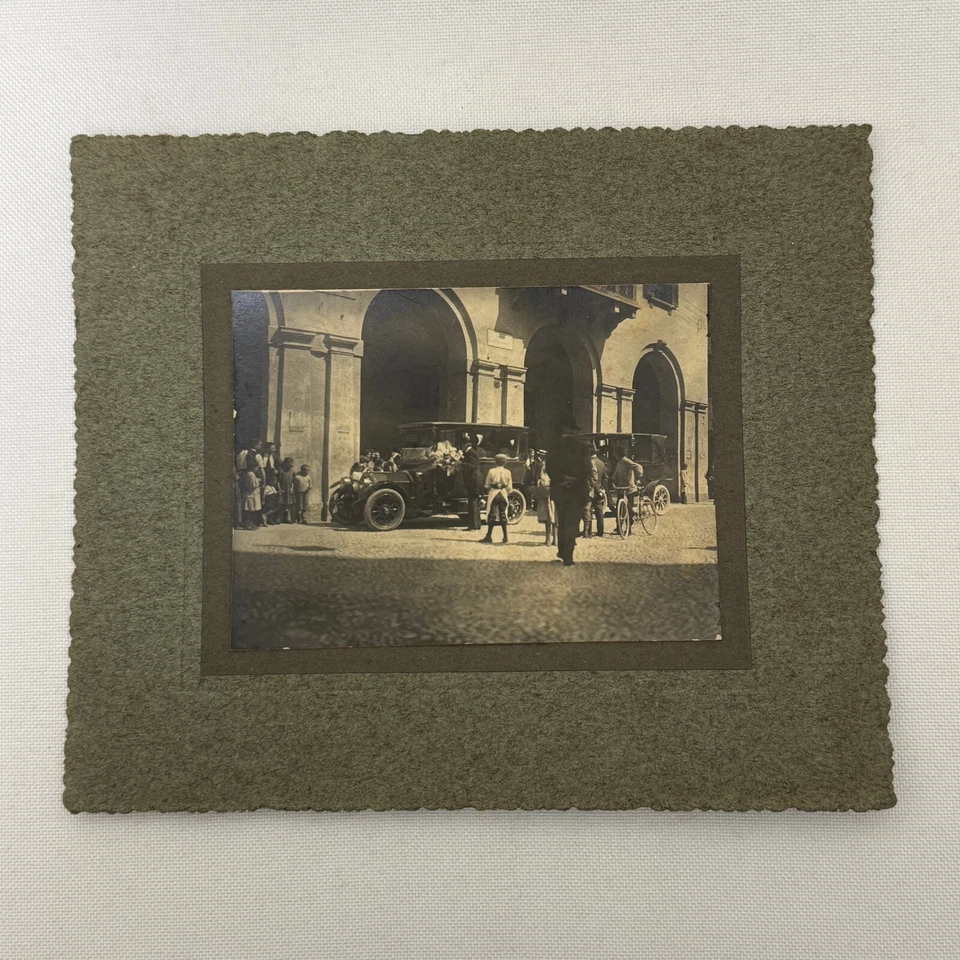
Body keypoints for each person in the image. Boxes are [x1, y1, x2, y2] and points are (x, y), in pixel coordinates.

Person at [546, 421, 591, 566]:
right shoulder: (583, 447)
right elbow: (587, 470)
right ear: (574, 432)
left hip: (559, 489)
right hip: (577, 491)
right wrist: (575, 480)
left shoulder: (554, 447)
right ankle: (568, 556)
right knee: (572, 523)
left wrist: (563, 479)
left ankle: (561, 550)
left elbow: (550, 469)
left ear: (563, 431)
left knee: (562, 521)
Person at [480, 453, 513, 544]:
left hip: (494, 493)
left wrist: (490, 489)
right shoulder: (508, 472)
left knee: (492, 514)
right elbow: (509, 488)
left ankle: (489, 536)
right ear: (505, 462)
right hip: (502, 493)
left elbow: (487, 485)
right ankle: (505, 537)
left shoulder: (491, 471)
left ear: (495, 461)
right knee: (503, 514)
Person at [612, 446, 644, 526]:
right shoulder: (619, 462)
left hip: (629, 488)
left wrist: (638, 476)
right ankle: (619, 527)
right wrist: (613, 480)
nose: (614, 455)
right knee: (619, 509)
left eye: (615, 454)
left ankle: (628, 526)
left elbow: (638, 467)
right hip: (621, 488)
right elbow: (616, 473)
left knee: (628, 508)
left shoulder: (626, 461)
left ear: (618, 454)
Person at [582, 444, 607, 538]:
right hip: (598, 489)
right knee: (599, 510)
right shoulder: (601, 463)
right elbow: (605, 478)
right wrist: (601, 488)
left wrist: (589, 487)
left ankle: (588, 532)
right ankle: (600, 532)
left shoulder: (589, 462)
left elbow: (592, 476)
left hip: (590, 489)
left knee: (587, 509)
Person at [460, 442, 483, 531]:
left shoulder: (471, 453)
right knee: (474, 503)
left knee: (473, 503)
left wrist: (462, 464)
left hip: (474, 480)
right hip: (474, 480)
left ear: (465, 445)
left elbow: (473, 465)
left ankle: (473, 525)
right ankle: (476, 525)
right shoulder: (471, 452)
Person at [239, 452, 262, 529]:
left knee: (251, 509)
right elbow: (253, 484)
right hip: (250, 494)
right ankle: (246, 524)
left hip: (251, 494)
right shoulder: (251, 474)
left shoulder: (249, 473)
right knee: (248, 509)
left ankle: (250, 523)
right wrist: (259, 481)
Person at [536, 463, 557, 546]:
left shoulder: (544, 471)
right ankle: (555, 540)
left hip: (547, 499)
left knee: (548, 519)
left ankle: (548, 540)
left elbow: (542, 484)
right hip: (554, 498)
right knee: (555, 519)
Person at [277, 457, 297, 523]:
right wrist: (279, 489)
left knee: (289, 503)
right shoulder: (281, 472)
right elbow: (278, 481)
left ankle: (288, 517)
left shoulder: (292, 472)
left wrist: (292, 488)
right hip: (283, 489)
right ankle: (280, 518)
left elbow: (294, 481)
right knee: (281, 503)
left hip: (289, 489)